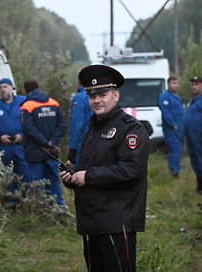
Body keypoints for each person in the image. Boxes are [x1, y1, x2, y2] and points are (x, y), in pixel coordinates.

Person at [60, 65, 149, 272]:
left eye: (102, 94)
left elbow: (130, 170)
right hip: (92, 223)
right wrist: (72, 176)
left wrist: (88, 176)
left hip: (117, 223)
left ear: (115, 95)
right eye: (92, 96)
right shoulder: (92, 128)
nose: (97, 100)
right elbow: (88, 168)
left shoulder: (131, 129)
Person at [20, 80, 67, 206]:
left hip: (35, 152)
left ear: (25, 91)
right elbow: (62, 126)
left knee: (37, 183)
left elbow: (29, 129)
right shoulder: (53, 103)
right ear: (39, 87)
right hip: (52, 151)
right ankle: (59, 208)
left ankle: (42, 210)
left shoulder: (27, 106)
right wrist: (52, 142)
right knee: (54, 181)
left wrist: (45, 143)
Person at [0, 78, 30, 192]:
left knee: (25, 174)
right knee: (7, 175)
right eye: (0, 88)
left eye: (5, 87)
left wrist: (23, 136)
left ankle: (27, 200)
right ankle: (11, 202)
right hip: (4, 147)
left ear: (12, 87)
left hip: (21, 146)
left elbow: (32, 121)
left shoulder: (22, 102)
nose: (2, 90)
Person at [158, 76, 184, 178]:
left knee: (179, 149)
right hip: (171, 128)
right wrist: (173, 124)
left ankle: (177, 168)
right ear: (168, 84)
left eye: (176, 83)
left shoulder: (177, 96)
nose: (175, 85)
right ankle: (174, 171)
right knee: (174, 149)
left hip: (180, 127)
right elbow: (165, 112)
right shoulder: (164, 96)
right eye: (173, 83)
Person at [67, 79, 92, 165]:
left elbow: (77, 125)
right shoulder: (98, 96)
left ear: (79, 82)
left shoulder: (79, 98)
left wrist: (72, 148)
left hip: (82, 144)